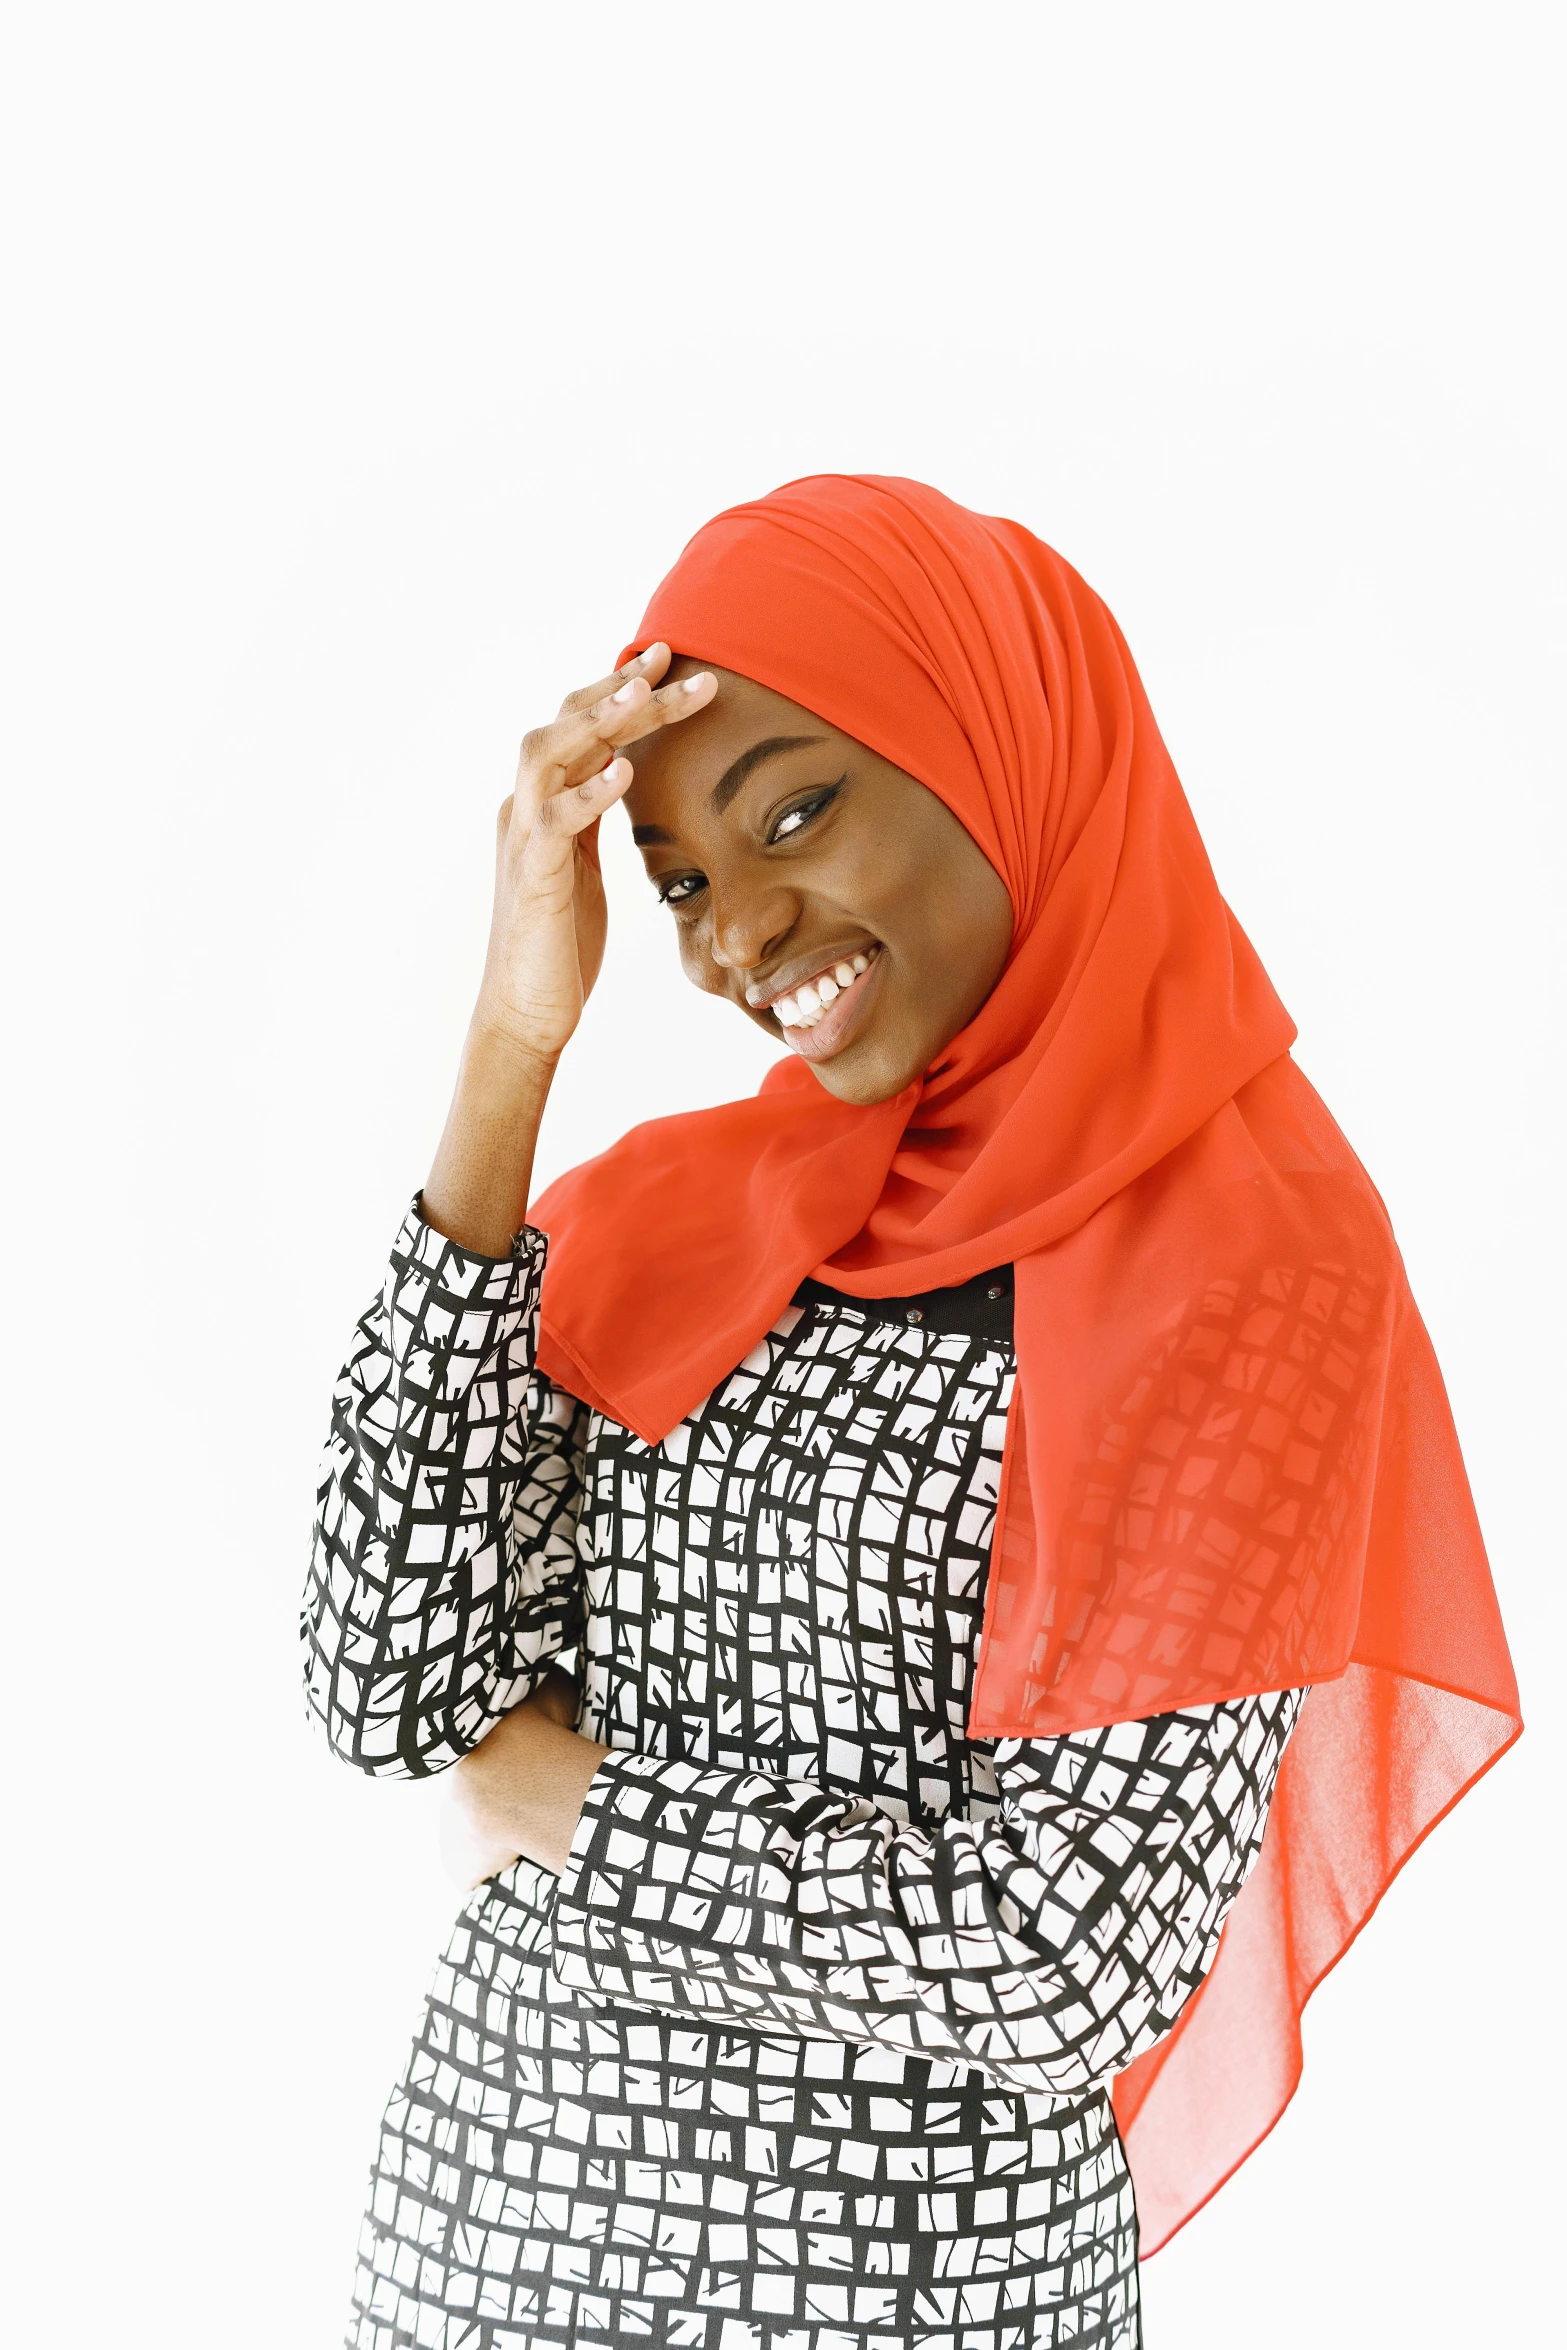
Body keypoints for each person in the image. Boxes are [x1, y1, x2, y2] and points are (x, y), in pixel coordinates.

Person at [302, 475, 1520, 2350]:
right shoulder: (671, 1212)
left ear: (1001, 746)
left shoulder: (1251, 1264)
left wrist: (579, 1806)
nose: (736, 940)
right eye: (685, 883)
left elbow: (1062, 1961)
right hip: (481, 2256)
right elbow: (386, 1684)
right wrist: (509, 1048)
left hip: (915, 2303)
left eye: (797, 809)